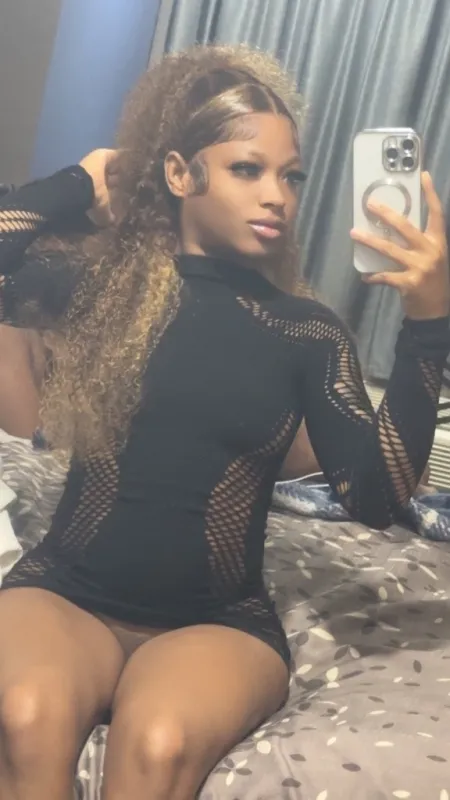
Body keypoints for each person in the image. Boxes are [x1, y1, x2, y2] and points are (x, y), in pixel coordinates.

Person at [0, 44, 448, 800]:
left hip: (211, 621)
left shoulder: (306, 331)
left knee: (159, 744)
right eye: (248, 169)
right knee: (25, 715)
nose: (277, 196)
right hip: (65, 592)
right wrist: (80, 183)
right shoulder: (100, 287)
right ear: (180, 174)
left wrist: (429, 328)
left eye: (290, 176)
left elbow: (376, 497)